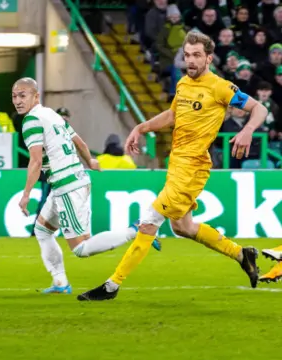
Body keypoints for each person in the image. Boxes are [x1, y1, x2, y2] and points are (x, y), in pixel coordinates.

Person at [77, 31, 266, 302]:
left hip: (192, 168)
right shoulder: (184, 85)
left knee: (149, 220)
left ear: (209, 58)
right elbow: (173, 115)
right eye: (187, 55)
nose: (190, 61)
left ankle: (112, 285)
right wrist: (141, 127)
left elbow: (260, 108)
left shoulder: (221, 87)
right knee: (183, 227)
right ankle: (241, 254)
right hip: (176, 164)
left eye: (197, 55)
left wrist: (247, 130)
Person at [13, 78, 160, 295]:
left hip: (67, 186)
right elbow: (79, 142)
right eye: (14, 96)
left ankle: (136, 229)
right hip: (69, 181)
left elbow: (35, 161)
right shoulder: (52, 115)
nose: (17, 100)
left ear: (36, 96)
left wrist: (26, 195)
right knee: (42, 230)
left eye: (23, 95)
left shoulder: (31, 121)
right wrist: (90, 161)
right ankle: (60, 283)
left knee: (81, 248)